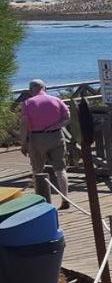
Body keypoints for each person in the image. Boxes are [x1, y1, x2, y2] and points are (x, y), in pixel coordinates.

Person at [19, 79, 71, 209]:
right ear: (44, 88)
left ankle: (41, 201)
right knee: (60, 170)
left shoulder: (27, 103)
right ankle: (65, 199)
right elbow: (67, 118)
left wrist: (23, 143)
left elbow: (24, 124)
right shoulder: (56, 100)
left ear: (31, 90)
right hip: (56, 135)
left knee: (38, 170)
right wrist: (56, 125)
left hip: (36, 138)